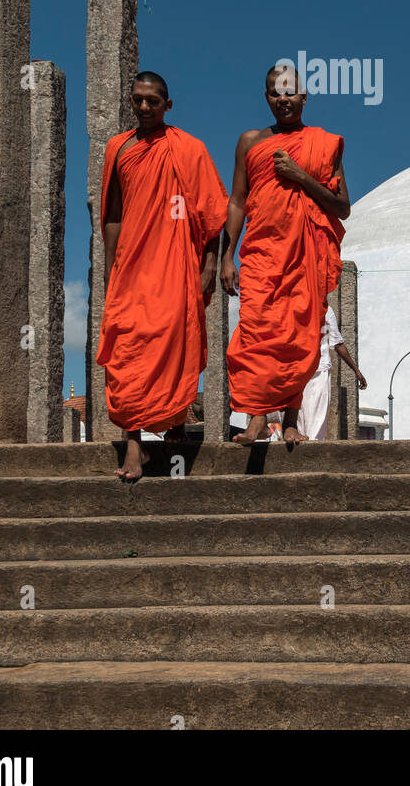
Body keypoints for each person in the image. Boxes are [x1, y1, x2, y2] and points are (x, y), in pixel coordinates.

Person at [98, 72, 228, 482]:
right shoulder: (118, 149)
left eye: (153, 101)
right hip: (133, 265)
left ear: (167, 105)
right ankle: (134, 442)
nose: (144, 108)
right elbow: (114, 213)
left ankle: (174, 427)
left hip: (177, 264)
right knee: (127, 350)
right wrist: (111, 266)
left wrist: (210, 262)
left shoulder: (189, 149)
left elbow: (212, 214)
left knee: (175, 344)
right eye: (137, 100)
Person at [222, 65, 350, 446]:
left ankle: (292, 422)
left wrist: (300, 176)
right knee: (256, 331)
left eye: (290, 92)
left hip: (305, 253)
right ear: (266, 98)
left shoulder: (323, 144)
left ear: (304, 96)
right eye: (275, 93)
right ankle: (257, 418)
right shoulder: (250, 141)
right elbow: (237, 201)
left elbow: (342, 207)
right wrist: (227, 255)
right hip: (262, 251)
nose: (284, 99)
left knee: (300, 336)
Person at [299, 304, 368, 441]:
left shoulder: (325, 309)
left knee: (315, 423)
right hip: (299, 372)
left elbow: (337, 343)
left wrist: (356, 370)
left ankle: (312, 455)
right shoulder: (293, 304)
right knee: (301, 424)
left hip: (317, 371)